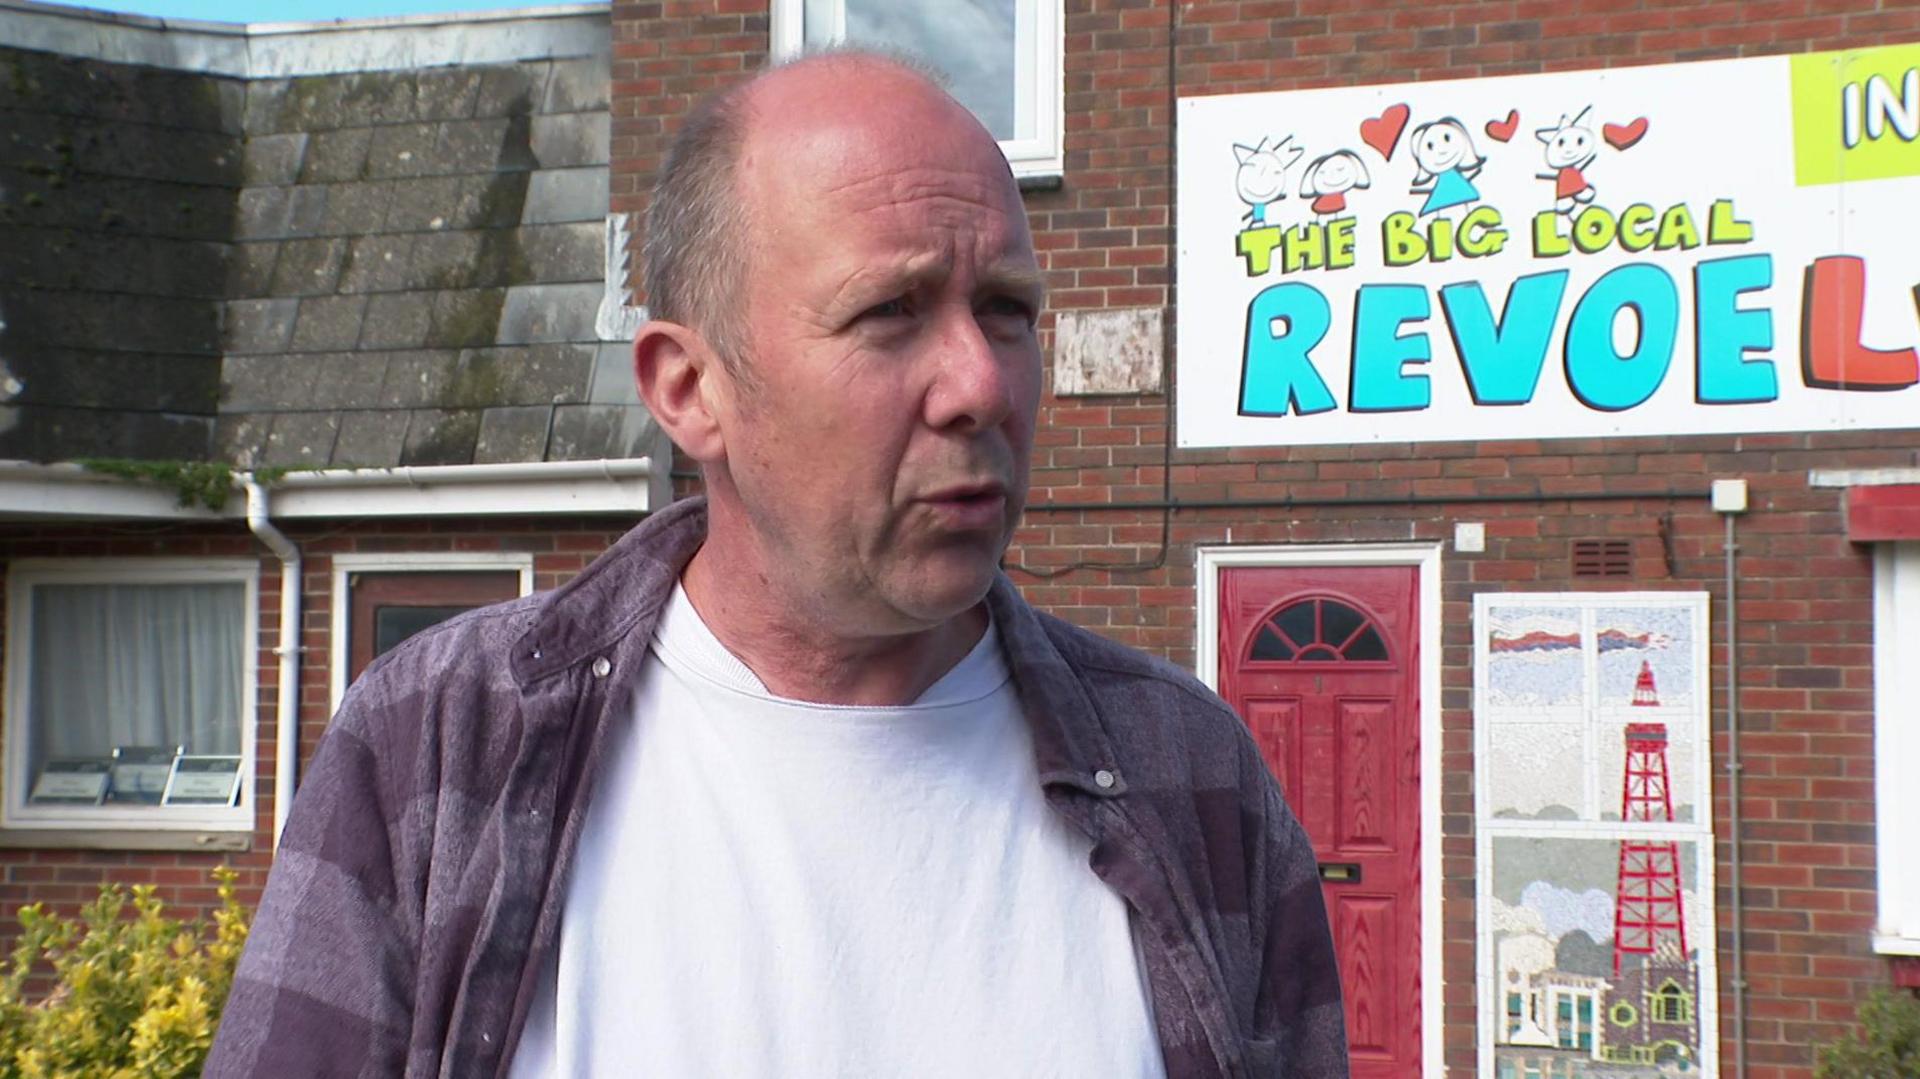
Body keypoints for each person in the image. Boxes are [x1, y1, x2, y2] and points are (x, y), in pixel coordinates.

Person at [205, 51, 1348, 1079]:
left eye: (1006, 311)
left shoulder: (1194, 777)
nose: (984, 385)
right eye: (889, 313)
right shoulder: (437, 743)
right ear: (691, 391)